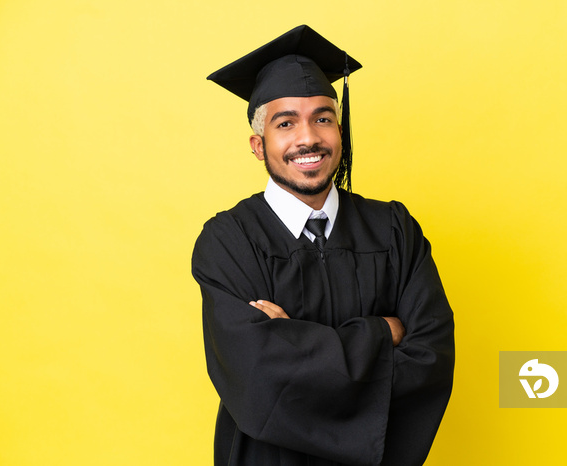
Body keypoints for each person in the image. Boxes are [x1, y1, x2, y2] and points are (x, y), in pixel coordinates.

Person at [192, 25, 455, 466]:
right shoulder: (229, 240)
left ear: (338, 129)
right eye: (285, 122)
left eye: (323, 117)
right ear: (259, 146)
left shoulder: (393, 229)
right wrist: (382, 332)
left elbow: (431, 357)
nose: (308, 138)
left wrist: (291, 339)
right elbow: (257, 376)